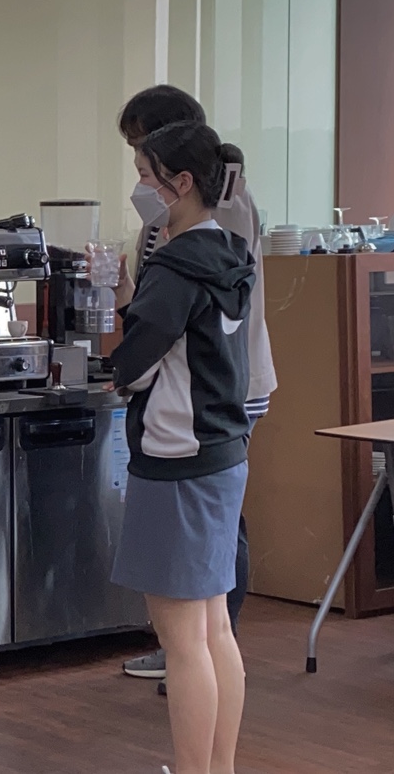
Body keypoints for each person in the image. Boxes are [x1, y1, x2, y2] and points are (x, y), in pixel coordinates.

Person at [113, 86, 277, 695]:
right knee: (208, 622)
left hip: (200, 412)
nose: (138, 182)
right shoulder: (200, 234)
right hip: (215, 405)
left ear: (179, 173)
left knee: (198, 615)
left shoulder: (205, 231)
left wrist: (133, 326)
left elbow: (151, 346)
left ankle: (190, 666)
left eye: (142, 161)